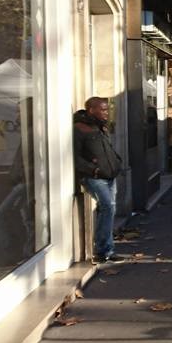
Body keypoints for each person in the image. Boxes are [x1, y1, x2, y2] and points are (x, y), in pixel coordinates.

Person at [73, 97, 124, 264]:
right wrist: (92, 169)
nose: (106, 113)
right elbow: (75, 156)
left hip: (109, 175)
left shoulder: (100, 126)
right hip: (94, 177)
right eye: (103, 110)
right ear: (91, 110)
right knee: (108, 207)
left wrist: (117, 162)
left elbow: (107, 149)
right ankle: (103, 250)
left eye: (107, 109)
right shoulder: (79, 129)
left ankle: (107, 249)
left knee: (109, 209)